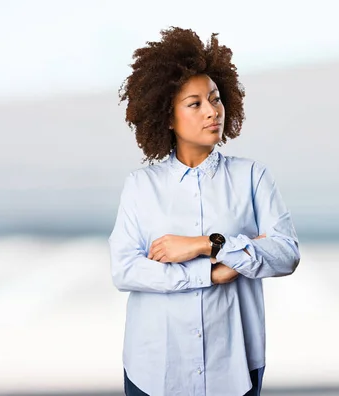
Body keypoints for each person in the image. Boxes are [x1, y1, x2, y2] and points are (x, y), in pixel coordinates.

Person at [109, 27, 300, 396]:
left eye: (215, 99)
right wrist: (211, 273)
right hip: (155, 370)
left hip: (233, 368)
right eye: (195, 103)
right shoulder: (140, 186)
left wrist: (205, 244)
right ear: (167, 117)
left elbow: (286, 253)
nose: (212, 111)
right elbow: (125, 269)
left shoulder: (252, 177)